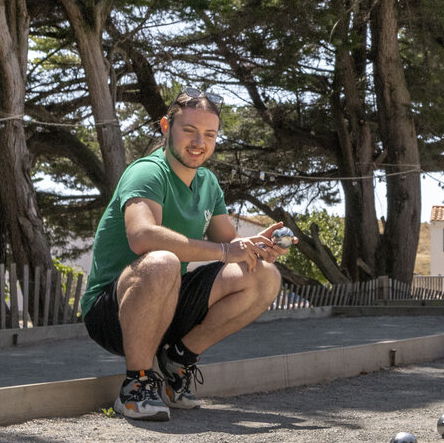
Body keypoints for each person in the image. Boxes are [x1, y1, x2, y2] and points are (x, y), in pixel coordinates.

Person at [80, 88, 292, 421]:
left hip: (167, 301)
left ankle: (177, 360)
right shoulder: (147, 172)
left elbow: (230, 244)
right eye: (189, 130)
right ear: (166, 127)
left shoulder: (208, 183)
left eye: (209, 134)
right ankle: (136, 384)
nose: (198, 142)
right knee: (162, 260)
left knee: (263, 275)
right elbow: (142, 236)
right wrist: (224, 251)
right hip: (112, 312)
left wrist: (258, 248)